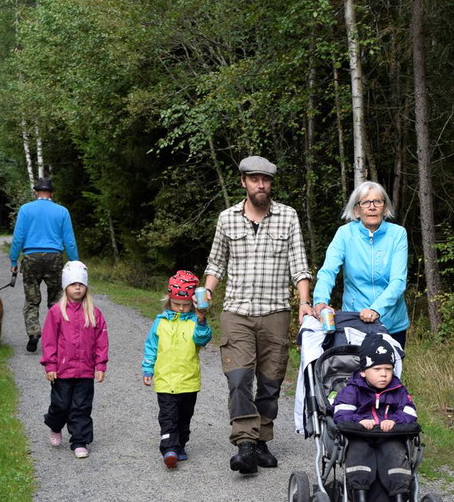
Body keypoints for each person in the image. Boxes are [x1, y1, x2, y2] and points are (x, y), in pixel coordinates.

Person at [203, 156, 313, 474]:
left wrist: (304, 302)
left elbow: (299, 265)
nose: (260, 185)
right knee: (238, 378)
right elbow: (215, 264)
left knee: (270, 381)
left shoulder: (288, 217)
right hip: (236, 311)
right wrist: (207, 291)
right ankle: (245, 443)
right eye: (254, 179)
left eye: (265, 180)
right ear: (243, 182)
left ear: (271, 184)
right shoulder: (227, 219)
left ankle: (262, 439)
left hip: (276, 311)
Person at [312, 180, 410, 348]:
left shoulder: (398, 234)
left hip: (392, 323)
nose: (372, 207)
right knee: (354, 372)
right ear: (356, 210)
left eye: (377, 201)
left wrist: (376, 309)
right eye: (365, 202)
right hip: (354, 321)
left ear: (385, 208)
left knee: (387, 374)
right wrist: (320, 301)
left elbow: (398, 281)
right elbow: (328, 271)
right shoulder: (344, 234)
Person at [332, 333, 416, 502]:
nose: (384, 374)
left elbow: (410, 413)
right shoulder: (352, 390)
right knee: (358, 452)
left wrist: (395, 420)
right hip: (360, 436)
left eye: (388, 369)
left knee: (396, 454)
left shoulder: (398, 390)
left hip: (389, 436)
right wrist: (358, 421)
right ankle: (360, 500)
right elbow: (340, 413)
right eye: (377, 369)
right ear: (363, 371)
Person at [142, 270, 212, 469]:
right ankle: (168, 448)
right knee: (168, 416)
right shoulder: (160, 321)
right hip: (165, 381)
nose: (181, 308)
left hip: (188, 381)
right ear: (168, 300)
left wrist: (200, 318)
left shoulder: (195, 322)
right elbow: (151, 347)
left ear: (193, 303)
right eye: (176, 304)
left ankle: (180, 445)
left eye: (185, 305)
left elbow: (203, 338)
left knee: (184, 417)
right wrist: (148, 369)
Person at [41, 261, 109, 459]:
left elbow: (101, 341)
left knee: (81, 406)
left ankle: (79, 441)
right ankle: (54, 425)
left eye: (80, 283)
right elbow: (49, 341)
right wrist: (50, 365)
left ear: (86, 286)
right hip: (62, 371)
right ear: (65, 287)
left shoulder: (95, 313)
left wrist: (100, 365)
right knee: (61, 405)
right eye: (73, 284)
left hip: (85, 371)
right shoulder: (56, 312)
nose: (77, 287)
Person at [10, 176, 79, 352]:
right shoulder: (62, 211)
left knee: (32, 299)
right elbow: (69, 241)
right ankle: (58, 336)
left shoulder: (25, 210)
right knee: (56, 298)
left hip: (31, 257)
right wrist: (74, 261)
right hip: (54, 257)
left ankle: (34, 333)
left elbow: (18, 238)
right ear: (52, 193)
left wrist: (13, 260)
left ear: (36, 192)